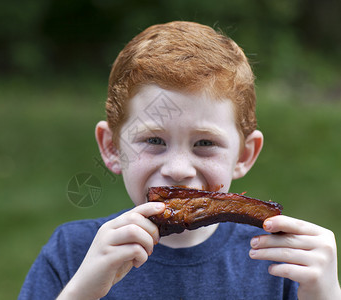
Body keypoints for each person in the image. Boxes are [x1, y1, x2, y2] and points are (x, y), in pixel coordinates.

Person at [18, 21, 341, 299]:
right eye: (154, 141)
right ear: (113, 148)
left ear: (244, 155)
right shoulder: (73, 252)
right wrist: (82, 292)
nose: (177, 170)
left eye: (205, 143)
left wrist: (324, 294)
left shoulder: (282, 263)